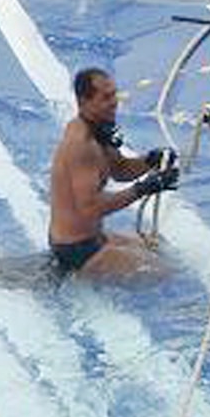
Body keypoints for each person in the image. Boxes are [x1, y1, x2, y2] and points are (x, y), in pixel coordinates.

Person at [46, 65, 179, 277]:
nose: (114, 103)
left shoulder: (99, 129)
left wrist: (150, 160)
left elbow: (120, 169)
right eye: (106, 98)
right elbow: (90, 208)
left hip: (93, 236)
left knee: (156, 246)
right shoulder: (81, 144)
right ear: (84, 102)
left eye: (114, 95)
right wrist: (143, 189)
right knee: (164, 273)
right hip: (78, 250)